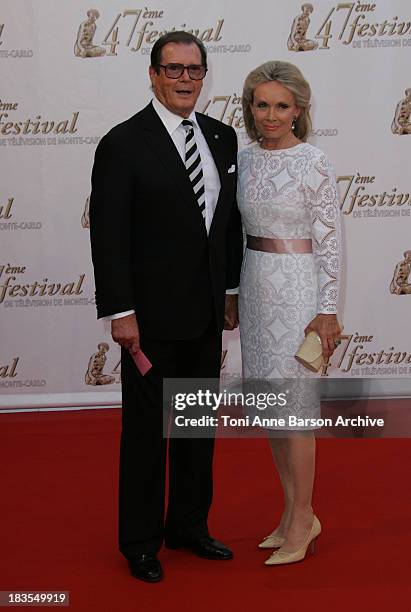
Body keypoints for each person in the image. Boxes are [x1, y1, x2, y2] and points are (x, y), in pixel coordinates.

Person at [89, 31, 242, 582]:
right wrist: (121, 311)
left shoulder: (223, 139)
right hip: (149, 320)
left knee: (198, 426)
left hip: (205, 314)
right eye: (173, 69)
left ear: (204, 76)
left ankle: (189, 526)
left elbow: (226, 229)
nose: (184, 79)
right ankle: (140, 541)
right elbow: (109, 237)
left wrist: (228, 292)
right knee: (149, 433)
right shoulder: (123, 142)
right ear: (153, 74)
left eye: (193, 70)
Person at [238, 61, 342, 565]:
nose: (272, 114)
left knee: (296, 413)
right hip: (257, 289)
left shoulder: (313, 161)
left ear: (298, 110)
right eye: (263, 104)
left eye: (282, 105)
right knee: (269, 410)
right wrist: (235, 294)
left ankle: (304, 517)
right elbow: (240, 235)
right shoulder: (247, 158)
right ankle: (290, 513)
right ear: (250, 108)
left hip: (299, 292)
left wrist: (326, 311)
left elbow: (329, 242)